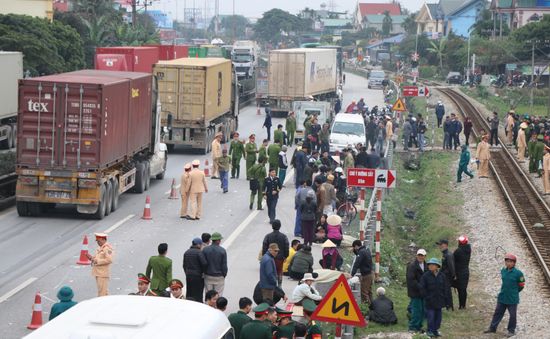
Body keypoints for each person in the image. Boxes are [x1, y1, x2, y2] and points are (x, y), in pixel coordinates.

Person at [484, 253, 525, 337]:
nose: (508, 263)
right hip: (502, 296)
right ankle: (492, 328)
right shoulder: (503, 271)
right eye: (507, 261)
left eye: (510, 261)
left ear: (514, 263)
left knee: (512, 315)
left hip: (512, 299)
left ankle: (511, 330)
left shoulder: (518, 273)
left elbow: (521, 286)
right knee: (497, 313)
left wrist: (514, 292)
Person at [420, 258, 446, 337]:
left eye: (432, 265)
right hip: (430, 300)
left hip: (439, 300)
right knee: (430, 316)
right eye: (429, 265)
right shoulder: (425, 276)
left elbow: (445, 288)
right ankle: (430, 330)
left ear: (437, 266)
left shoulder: (442, 276)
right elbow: (422, 288)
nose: (430, 266)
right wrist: (426, 296)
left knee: (438, 317)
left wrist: (445, 299)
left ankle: (435, 330)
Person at [262, 220, 290, 285]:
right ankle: (279, 286)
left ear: (272, 226)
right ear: (280, 226)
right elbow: (286, 246)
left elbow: (264, 246)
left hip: (270, 257)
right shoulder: (284, 236)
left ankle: (271, 284)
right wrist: (285, 256)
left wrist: (264, 256)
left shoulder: (268, 236)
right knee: (279, 271)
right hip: (280, 258)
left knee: (270, 271)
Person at [87, 233, 114, 297]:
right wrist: (91, 258)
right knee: (104, 292)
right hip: (98, 272)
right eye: (97, 241)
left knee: (102, 293)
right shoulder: (100, 248)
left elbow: (109, 260)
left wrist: (97, 261)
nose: (97, 242)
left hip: (103, 273)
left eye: (99, 241)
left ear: (103, 239)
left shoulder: (107, 248)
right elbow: (98, 258)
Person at [407, 249, 427, 333]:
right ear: (416, 256)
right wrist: (420, 286)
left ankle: (419, 327)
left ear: (425, 256)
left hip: (423, 292)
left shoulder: (426, 265)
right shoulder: (412, 266)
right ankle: (412, 327)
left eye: (422, 255)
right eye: (419, 255)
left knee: (423, 310)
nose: (420, 257)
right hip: (415, 292)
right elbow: (411, 279)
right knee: (416, 310)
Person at [183, 237, 207, 302]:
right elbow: (204, 263)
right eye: (201, 244)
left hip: (189, 276)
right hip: (198, 276)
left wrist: (187, 273)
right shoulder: (199, 252)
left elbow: (184, 265)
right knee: (198, 293)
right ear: (198, 245)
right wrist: (203, 272)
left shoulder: (186, 252)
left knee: (190, 292)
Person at [351, 240, 374, 304]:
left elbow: (357, 263)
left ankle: (366, 308)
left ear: (356, 246)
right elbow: (360, 257)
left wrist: (352, 274)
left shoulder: (361, 252)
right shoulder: (366, 249)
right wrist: (355, 252)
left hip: (366, 275)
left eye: (354, 247)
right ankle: (373, 306)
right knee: (369, 291)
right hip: (370, 273)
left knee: (364, 293)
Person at [437, 239, 455, 311]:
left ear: (446, 245)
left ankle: (450, 306)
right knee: (445, 290)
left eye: (441, 245)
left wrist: (453, 275)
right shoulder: (445, 254)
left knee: (447, 291)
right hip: (444, 275)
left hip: (447, 276)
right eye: (439, 245)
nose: (440, 246)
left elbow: (451, 266)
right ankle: (447, 306)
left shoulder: (448, 254)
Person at [453, 235, 471, 310]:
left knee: (460, 290)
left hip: (459, 272)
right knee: (463, 289)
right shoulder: (468, 249)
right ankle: (463, 305)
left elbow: (453, 259)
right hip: (466, 271)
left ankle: (461, 306)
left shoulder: (458, 251)